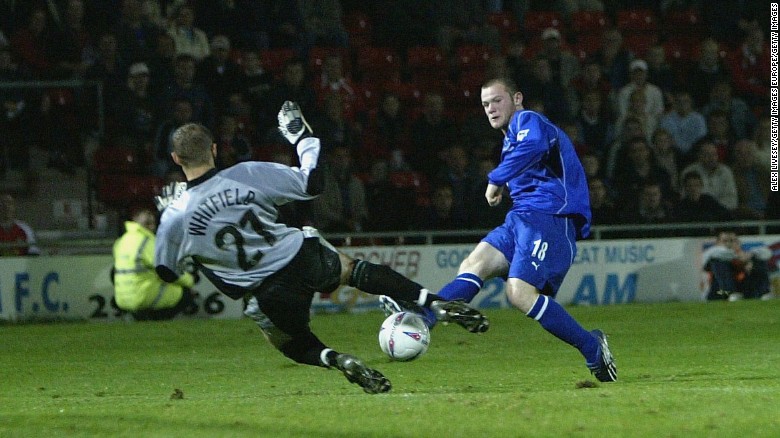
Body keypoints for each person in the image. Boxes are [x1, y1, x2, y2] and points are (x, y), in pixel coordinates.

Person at [153, 102, 489, 394]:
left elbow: (167, 272)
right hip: (299, 255)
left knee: (290, 343)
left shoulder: (175, 215)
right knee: (354, 270)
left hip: (265, 291)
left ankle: (338, 359)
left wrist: (183, 232)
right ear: (214, 149)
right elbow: (311, 182)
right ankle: (435, 303)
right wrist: (303, 138)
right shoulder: (246, 173)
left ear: (175, 158)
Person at [384, 78, 617, 382]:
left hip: (550, 217)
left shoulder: (528, 119)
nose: (490, 109)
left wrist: (495, 178)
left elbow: (534, 146)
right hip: (521, 219)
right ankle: (423, 318)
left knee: (519, 293)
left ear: (517, 98)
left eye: (496, 100)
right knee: (474, 264)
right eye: (484, 104)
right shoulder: (510, 140)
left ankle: (592, 347)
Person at [112, 208, 196, 320]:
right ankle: (157, 321)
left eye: (152, 223)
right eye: (149, 224)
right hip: (142, 297)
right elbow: (169, 269)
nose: (152, 227)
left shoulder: (122, 241)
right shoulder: (147, 242)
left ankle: (141, 319)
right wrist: (190, 281)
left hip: (122, 298)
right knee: (185, 294)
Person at [702, 229, 772, 301]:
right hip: (721, 292)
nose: (729, 244)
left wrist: (750, 256)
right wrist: (739, 257)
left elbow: (767, 253)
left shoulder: (747, 254)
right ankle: (731, 294)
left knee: (759, 261)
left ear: (739, 242)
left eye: (732, 241)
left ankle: (764, 293)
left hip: (743, 291)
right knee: (717, 262)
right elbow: (715, 254)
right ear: (717, 243)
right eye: (725, 241)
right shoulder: (712, 254)